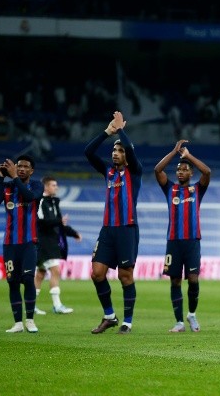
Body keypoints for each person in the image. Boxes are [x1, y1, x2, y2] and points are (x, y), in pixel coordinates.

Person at [84, 111, 143, 334]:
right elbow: (88, 152)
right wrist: (107, 132)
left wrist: (121, 131)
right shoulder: (108, 171)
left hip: (127, 229)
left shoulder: (135, 171)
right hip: (107, 230)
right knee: (97, 273)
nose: (115, 153)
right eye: (114, 150)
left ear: (127, 154)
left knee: (124, 275)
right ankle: (110, 316)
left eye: (120, 150)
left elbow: (129, 150)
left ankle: (127, 321)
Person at [154, 139, 211, 333]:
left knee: (193, 279)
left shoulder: (197, 189)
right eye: (178, 169)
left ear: (190, 172)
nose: (180, 172)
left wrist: (189, 157)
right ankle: (179, 321)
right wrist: (174, 152)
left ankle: (192, 314)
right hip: (173, 241)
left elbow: (207, 172)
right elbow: (157, 170)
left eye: (184, 169)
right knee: (175, 280)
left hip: (192, 241)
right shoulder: (170, 188)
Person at [0, 154, 44, 333]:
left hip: (29, 242)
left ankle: (29, 320)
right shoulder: (7, 186)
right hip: (10, 244)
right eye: (18, 166)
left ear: (32, 170)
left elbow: (29, 197)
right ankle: (18, 323)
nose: (21, 169)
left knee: (28, 279)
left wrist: (13, 176)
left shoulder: (37, 186)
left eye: (25, 167)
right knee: (12, 282)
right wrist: (1, 177)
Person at [34, 176, 81, 315]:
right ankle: (57, 305)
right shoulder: (41, 201)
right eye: (53, 185)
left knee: (40, 274)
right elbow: (42, 222)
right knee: (55, 270)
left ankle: (31, 306)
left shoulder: (53, 202)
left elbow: (59, 224)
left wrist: (74, 233)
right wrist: (58, 221)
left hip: (50, 242)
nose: (56, 187)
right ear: (46, 187)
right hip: (44, 242)